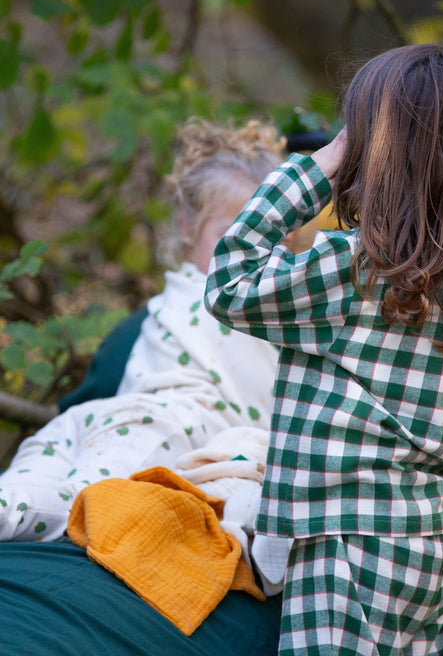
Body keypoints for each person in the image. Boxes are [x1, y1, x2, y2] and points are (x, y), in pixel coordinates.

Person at [205, 43, 443, 655]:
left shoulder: (353, 269)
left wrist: (313, 169)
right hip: (434, 550)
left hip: (344, 544)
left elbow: (229, 285)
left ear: (367, 159)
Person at [0, 118, 283, 542]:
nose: (248, 255)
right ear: (186, 227)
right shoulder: (216, 305)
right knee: (74, 492)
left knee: (50, 496)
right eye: (231, 237)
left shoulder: (260, 309)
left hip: (135, 424)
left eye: (268, 241)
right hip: (157, 420)